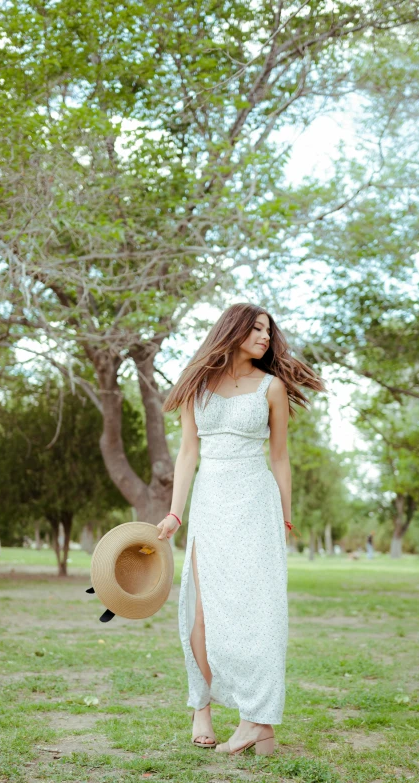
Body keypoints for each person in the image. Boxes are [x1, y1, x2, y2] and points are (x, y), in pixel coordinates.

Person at [158, 303, 325, 755]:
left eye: (268, 331)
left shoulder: (271, 387)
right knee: (201, 610)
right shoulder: (199, 387)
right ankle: (202, 706)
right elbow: (188, 453)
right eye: (255, 329)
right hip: (209, 504)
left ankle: (259, 717)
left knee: (259, 611)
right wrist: (175, 514)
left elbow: (280, 457)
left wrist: (286, 516)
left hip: (256, 502)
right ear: (231, 331)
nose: (265, 337)